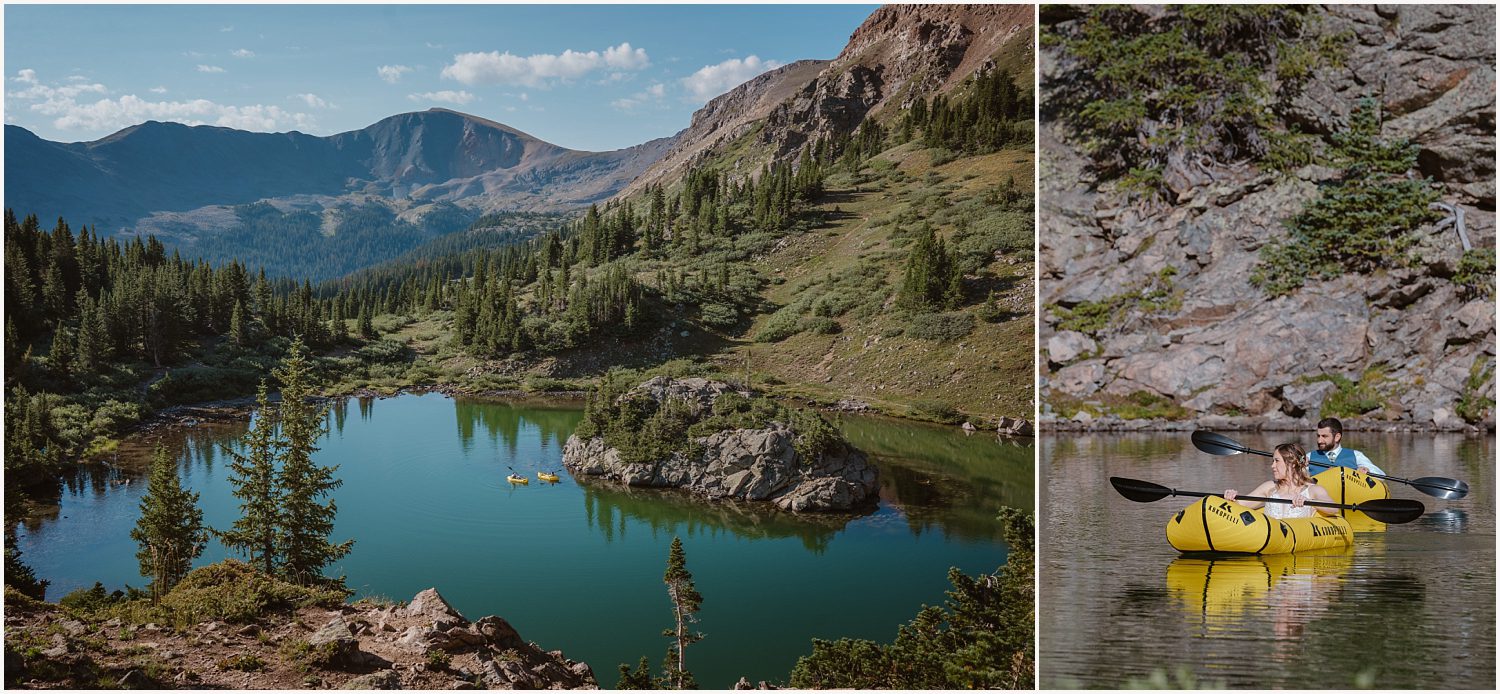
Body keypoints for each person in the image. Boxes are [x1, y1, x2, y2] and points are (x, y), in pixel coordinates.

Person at [1224, 443, 1337, 519]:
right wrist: (1231, 498)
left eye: (1277, 461)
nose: (1272, 466)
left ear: (1292, 463)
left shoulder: (1313, 490)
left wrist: (1310, 501)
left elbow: (1334, 508)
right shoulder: (1268, 487)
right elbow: (1241, 505)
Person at [1309, 417, 1385, 476]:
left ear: (1337, 437)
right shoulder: (1308, 457)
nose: (1319, 440)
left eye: (1324, 436)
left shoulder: (1356, 455)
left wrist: (1367, 470)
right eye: (1318, 436)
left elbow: (1380, 474)